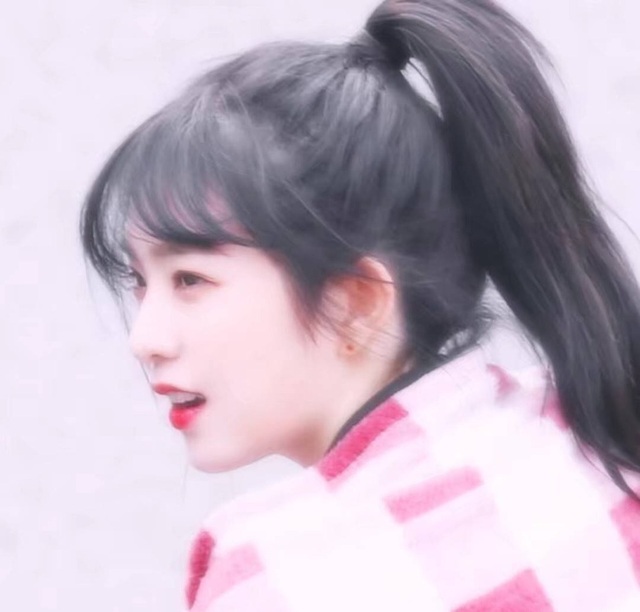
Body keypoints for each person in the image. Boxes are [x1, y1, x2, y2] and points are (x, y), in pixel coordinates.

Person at [80, 0, 640, 609]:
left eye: (190, 280)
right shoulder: (589, 429)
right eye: (139, 281)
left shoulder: (281, 581)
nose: (145, 339)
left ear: (357, 301)